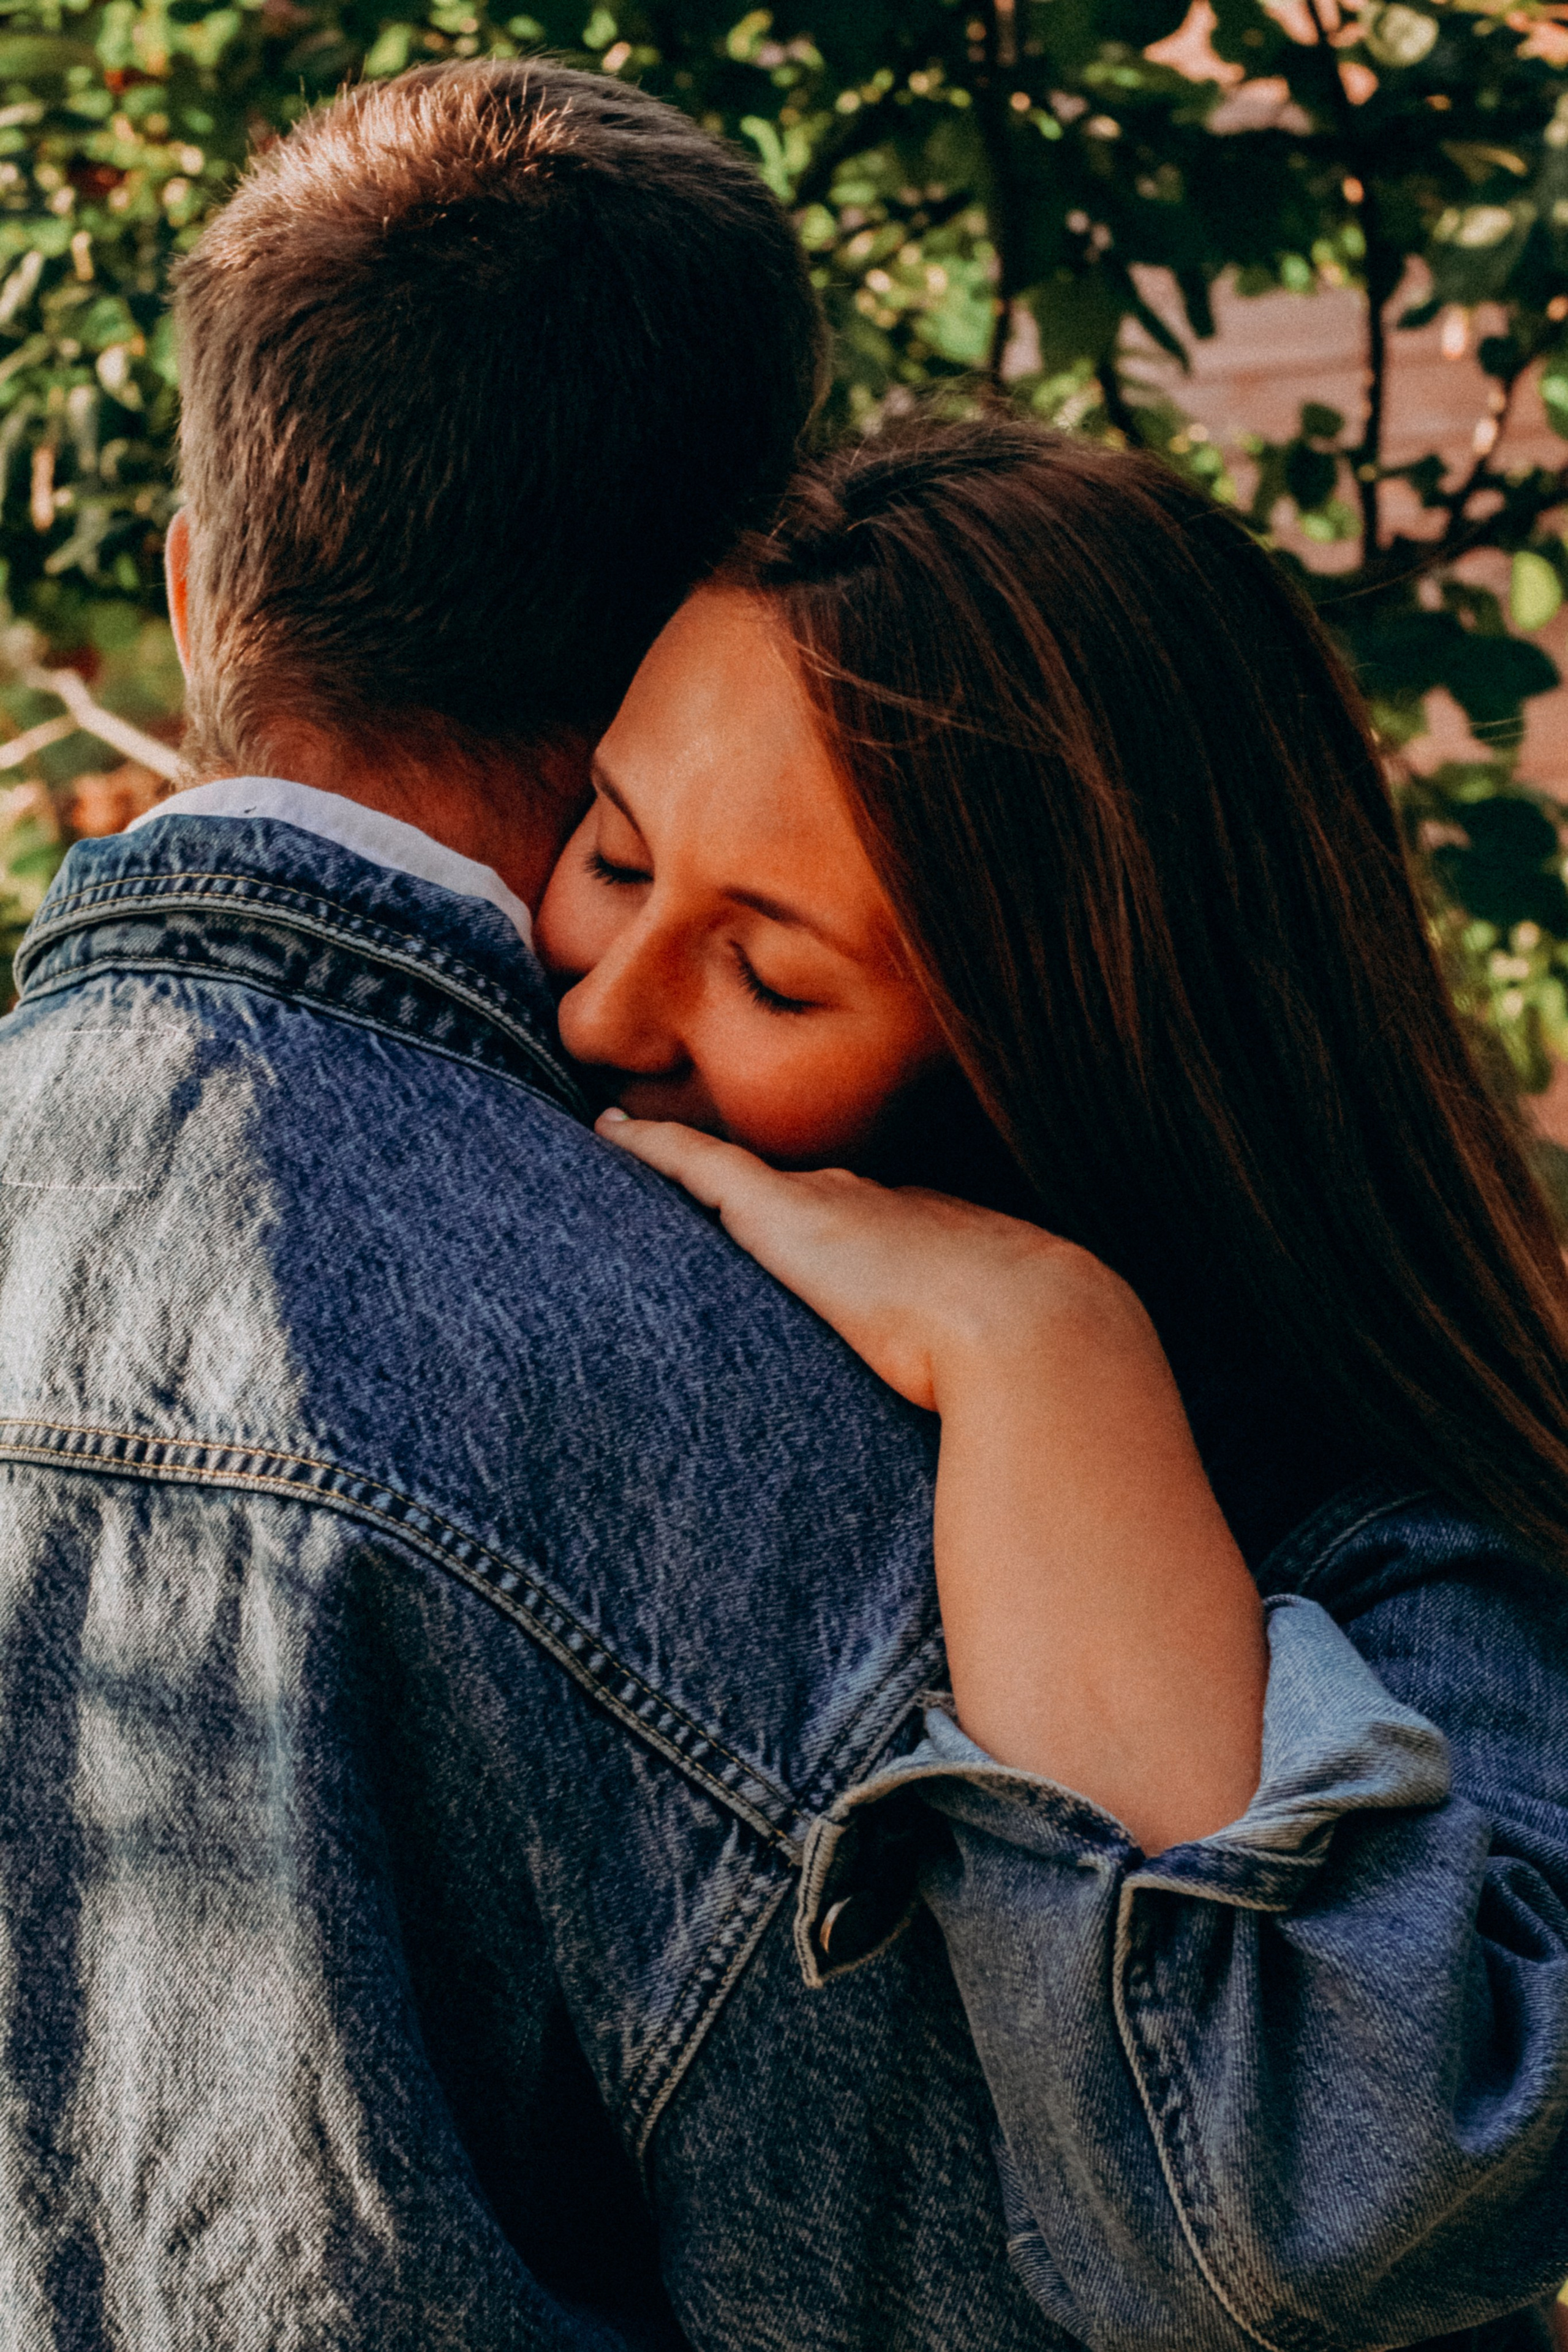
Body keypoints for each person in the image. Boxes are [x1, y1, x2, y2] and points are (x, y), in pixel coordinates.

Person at [538, 413, 1568, 2350]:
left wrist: (1042, 1351)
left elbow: (1294, 2204)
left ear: (1064, 1057)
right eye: (610, 848)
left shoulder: (1437, 1554)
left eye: (769, 978)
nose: (601, 1007)